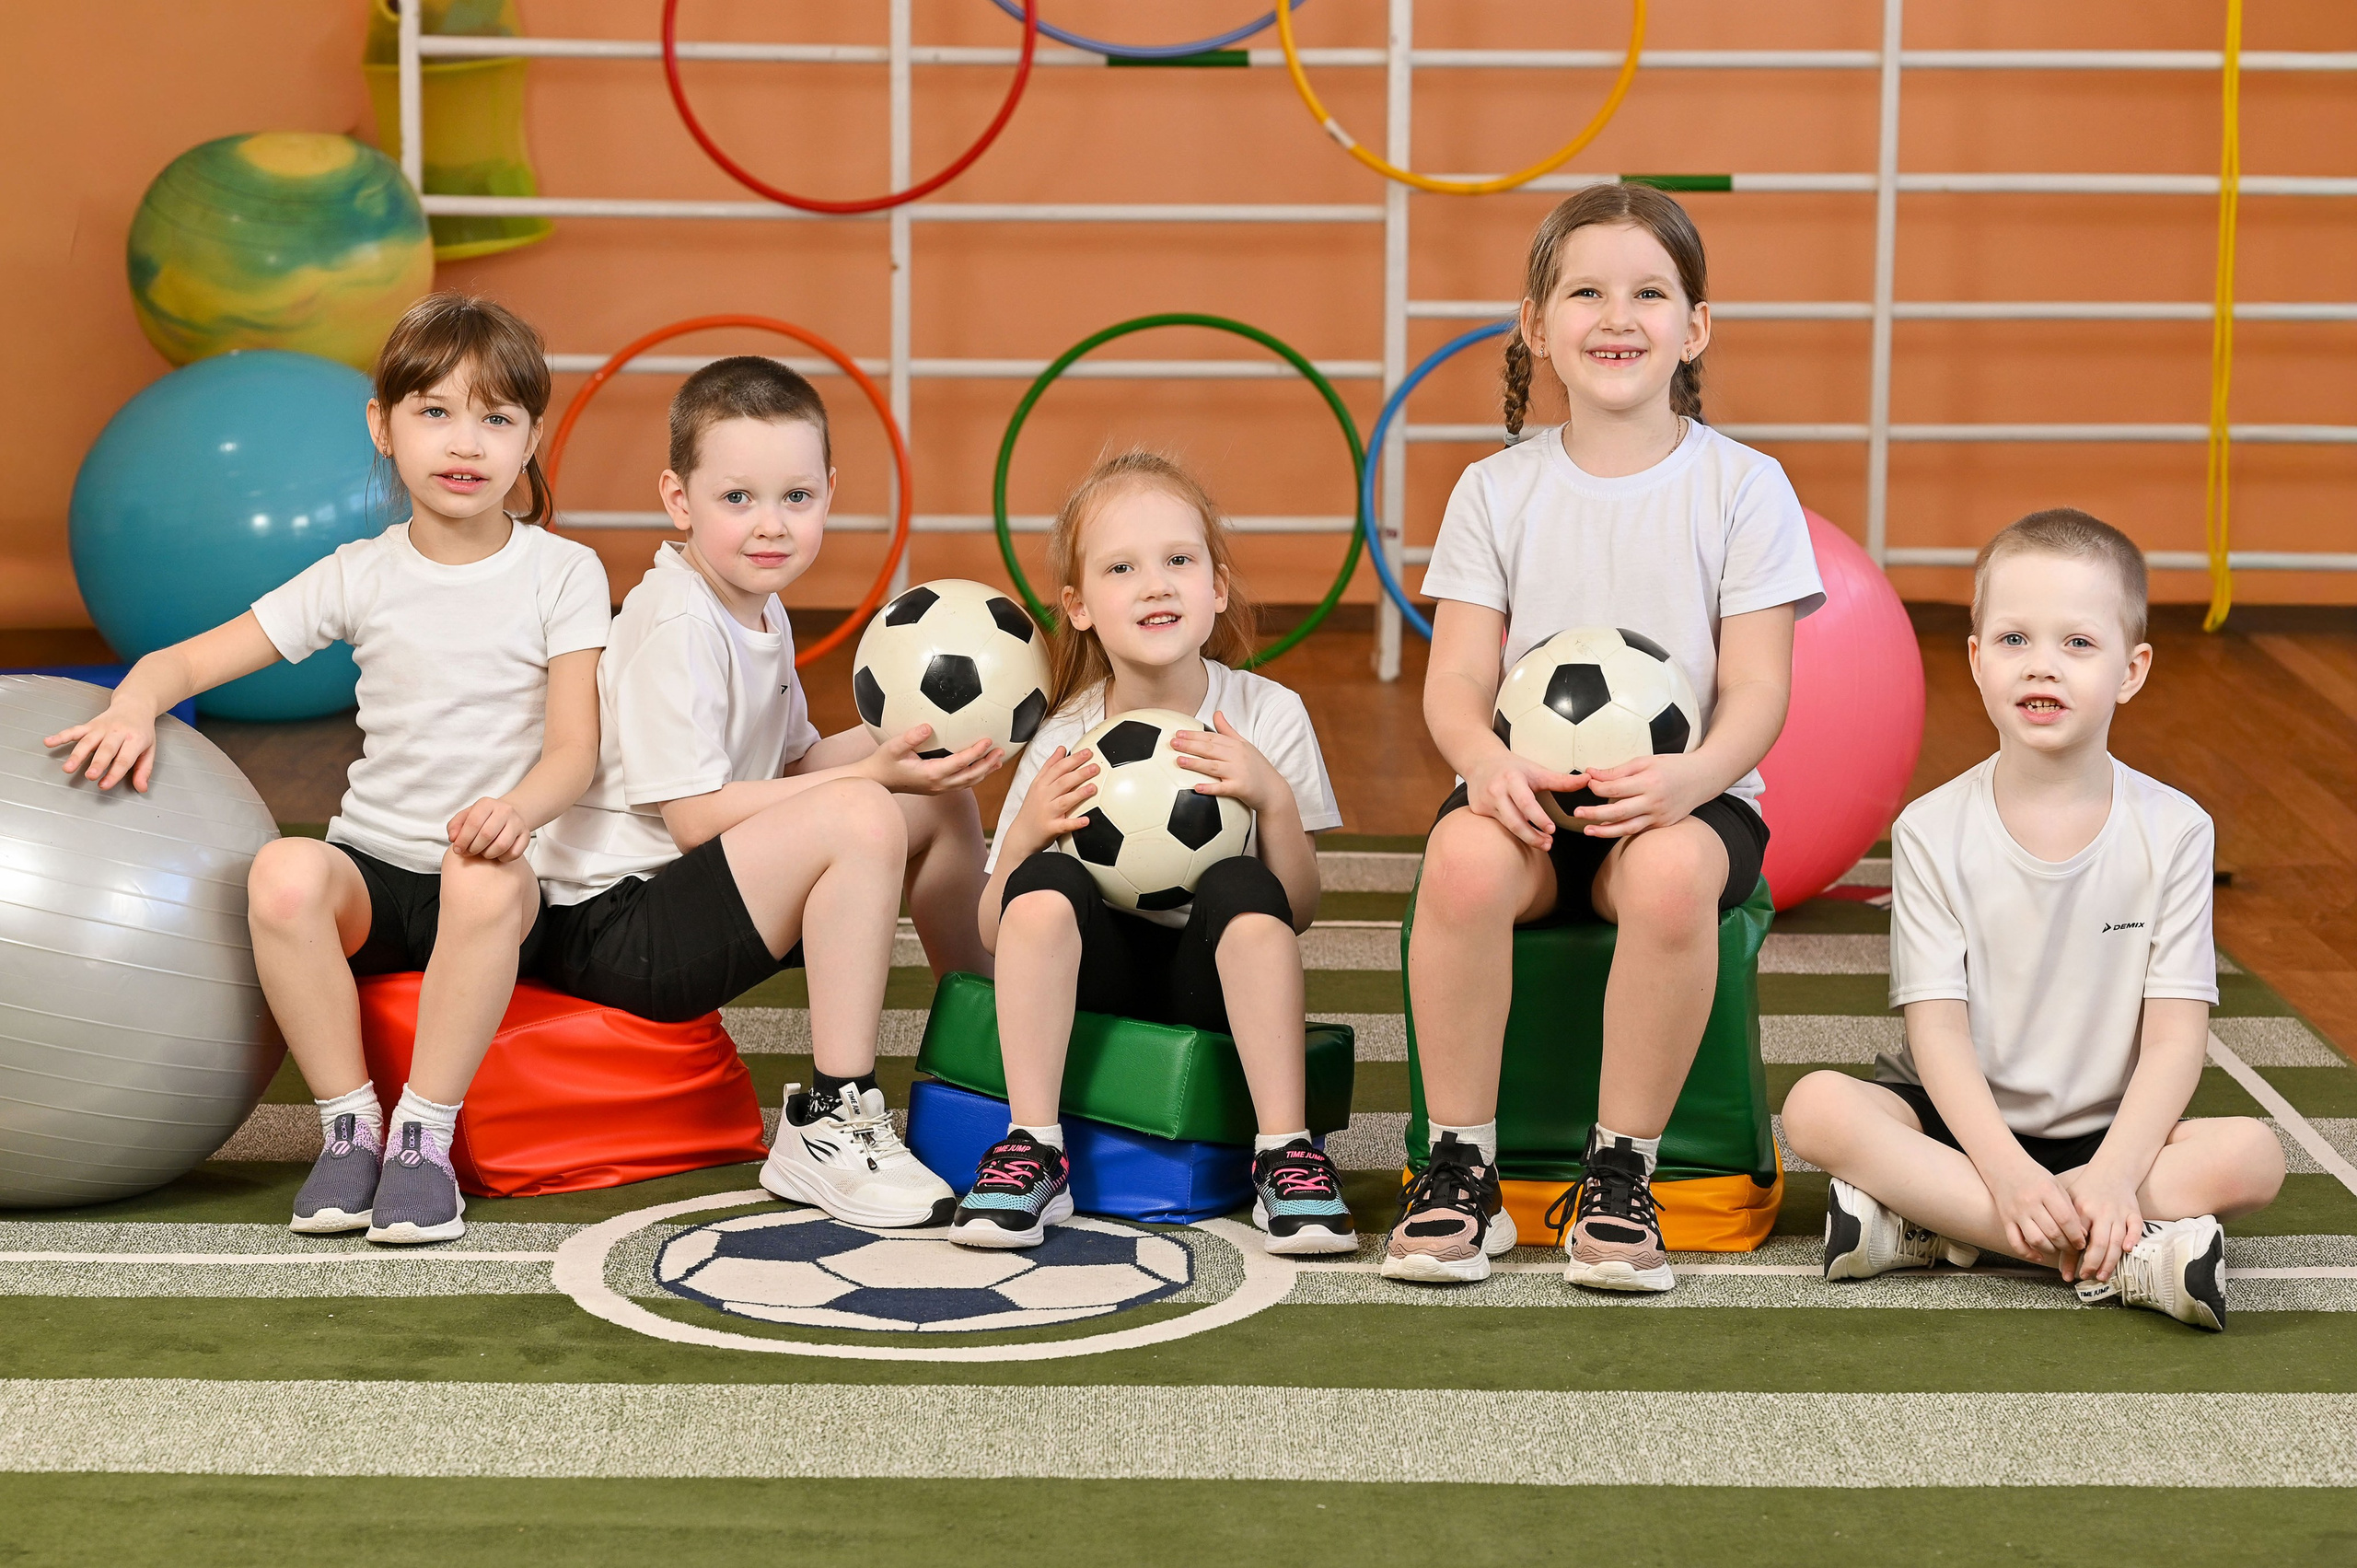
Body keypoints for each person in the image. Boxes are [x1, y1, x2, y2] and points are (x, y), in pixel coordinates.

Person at [46, 293, 610, 1245]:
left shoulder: (563, 572)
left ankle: (422, 1140)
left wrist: (515, 810)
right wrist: (137, 702)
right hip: (375, 869)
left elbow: (576, 752)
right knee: (281, 871)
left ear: (531, 439)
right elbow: (184, 661)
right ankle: (350, 1126)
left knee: (477, 883)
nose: (464, 441)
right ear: (381, 427)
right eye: (434, 411)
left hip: (496, 873)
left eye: (495, 417)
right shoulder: (359, 572)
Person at [1390, 185, 1825, 1289]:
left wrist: (1689, 779)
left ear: (1696, 325)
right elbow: (1455, 684)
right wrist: (1486, 764)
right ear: (1535, 324)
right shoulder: (1495, 490)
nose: (1616, 315)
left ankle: (1621, 1174)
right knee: (1458, 859)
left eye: (1649, 291)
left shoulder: (1743, 487)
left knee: (1675, 880)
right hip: (1527, 791)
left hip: (1684, 793)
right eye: (1584, 290)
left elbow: (1760, 691)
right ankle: (1460, 1167)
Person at [1782, 509, 2283, 1330]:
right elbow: (1937, 1034)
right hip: (1959, 1126)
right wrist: (2009, 1176)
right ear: (1977, 659)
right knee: (1816, 1108)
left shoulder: (2177, 830)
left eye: (2077, 644)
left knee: (2255, 1158)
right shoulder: (1931, 829)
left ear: (2132, 668)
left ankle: (1936, 1225)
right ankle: (2123, 1256)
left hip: (2109, 1135)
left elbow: (2174, 1039)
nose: (2041, 665)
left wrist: (2118, 1173)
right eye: (2014, 640)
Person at [528, 356, 995, 1227]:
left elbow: (793, 770)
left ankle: (993, 1044)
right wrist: (868, 778)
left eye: (796, 497)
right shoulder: (676, 621)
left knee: (934, 801)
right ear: (679, 500)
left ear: (829, 493)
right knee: (862, 809)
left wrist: (922, 732)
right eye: (736, 498)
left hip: (692, 895)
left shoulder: (760, 607)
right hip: (611, 927)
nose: (770, 525)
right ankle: (829, 1117)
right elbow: (697, 816)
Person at [945, 450, 1353, 1255]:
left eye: (1178, 560)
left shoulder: (1265, 713)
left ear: (1217, 588)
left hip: (1213, 984)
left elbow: (1298, 909)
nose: (1156, 583)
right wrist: (1025, 832)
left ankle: (1287, 1153)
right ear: (1082, 605)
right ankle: (1034, 1146)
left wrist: (1270, 795)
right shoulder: (1064, 734)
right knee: (1050, 875)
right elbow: (996, 929)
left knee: (1241, 879)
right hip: (1101, 984)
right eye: (1122, 567)